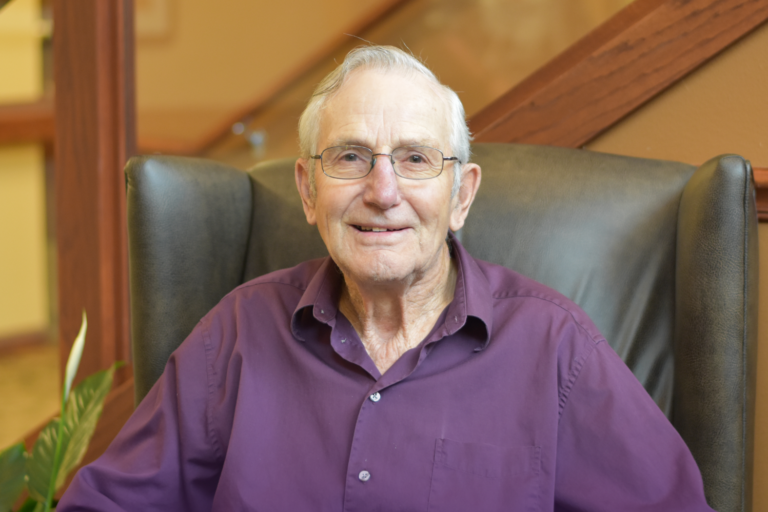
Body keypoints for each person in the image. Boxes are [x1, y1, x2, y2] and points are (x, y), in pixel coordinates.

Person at [58, 45, 715, 512]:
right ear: (309, 191)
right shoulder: (238, 331)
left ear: (461, 195)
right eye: (351, 157)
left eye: (415, 159)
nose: (382, 191)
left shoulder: (556, 349)